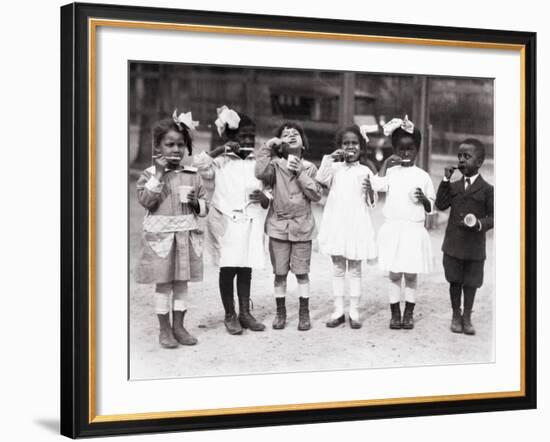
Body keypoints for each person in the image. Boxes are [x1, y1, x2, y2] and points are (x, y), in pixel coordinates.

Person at [134, 110, 208, 349]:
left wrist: (197, 203)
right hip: (162, 241)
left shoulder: (193, 176)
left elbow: (205, 207)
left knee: (181, 284)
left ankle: (179, 326)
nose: (175, 150)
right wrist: (158, 174)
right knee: (163, 284)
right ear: (158, 146)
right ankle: (164, 329)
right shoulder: (149, 175)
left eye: (180, 145)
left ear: (186, 148)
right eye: (169, 144)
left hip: (185, 238)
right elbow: (146, 201)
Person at [194, 106, 270, 335]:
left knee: (245, 267)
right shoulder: (220, 162)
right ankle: (230, 314)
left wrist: (264, 197)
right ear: (230, 138)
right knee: (228, 268)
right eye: (241, 136)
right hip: (226, 219)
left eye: (251, 136)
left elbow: (268, 188)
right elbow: (200, 165)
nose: (247, 140)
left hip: (249, 220)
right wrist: (220, 150)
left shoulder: (257, 162)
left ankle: (245, 313)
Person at [255, 121, 322, 331]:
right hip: (278, 226)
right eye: (286, 134)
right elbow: (259, 173)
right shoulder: (273, 166)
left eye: (296, 134)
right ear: (280, 144)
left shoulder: (310, 167)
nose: (291, 135)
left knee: (302, 272)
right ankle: (280, 312)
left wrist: (300, 173)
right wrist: (268, 146)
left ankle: (304, 312)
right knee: (280, 273)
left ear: (303, 144)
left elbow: (316, 194)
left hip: (303, 226)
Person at [370, 115, 435, 330]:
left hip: (413, 230)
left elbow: (431, 206)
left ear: (417, 150)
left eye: (410, 150)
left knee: (411, 273)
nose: (406, 154)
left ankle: (409, 312)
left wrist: (424, 199)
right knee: (395, 273)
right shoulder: (392, 172)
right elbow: (377, 185)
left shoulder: (423, 176)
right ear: (395, 150)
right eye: (401, 150)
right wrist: (386, 164)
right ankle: (394, 313)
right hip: (394, 228)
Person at [316, 125, 377, 329]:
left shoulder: (366, 170)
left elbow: (372, 201)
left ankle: (355, 310)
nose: (350, 146)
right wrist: (330, 158)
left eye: (354, 143)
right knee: (338, 267)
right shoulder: (334, 168)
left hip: (357, 222)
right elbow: (320, 179)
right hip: (337, 222)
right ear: (340, 146)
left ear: (361, 147)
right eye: (346, 143)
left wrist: (370, 191)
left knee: (355, 268)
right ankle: (338, 309)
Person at [435, 138, 494, 335]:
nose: (461, 161)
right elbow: (441, 204)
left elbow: (494, 217)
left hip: (474, 247)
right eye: (459, 156)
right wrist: (445, 180)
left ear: (479, 162)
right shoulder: (454, 186)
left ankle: (467, 316)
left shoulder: (487, 190)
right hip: (453, 244)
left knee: (471, 283)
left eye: (467, 157)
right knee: (454, 280)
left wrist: (479, 224)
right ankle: (455, 314)